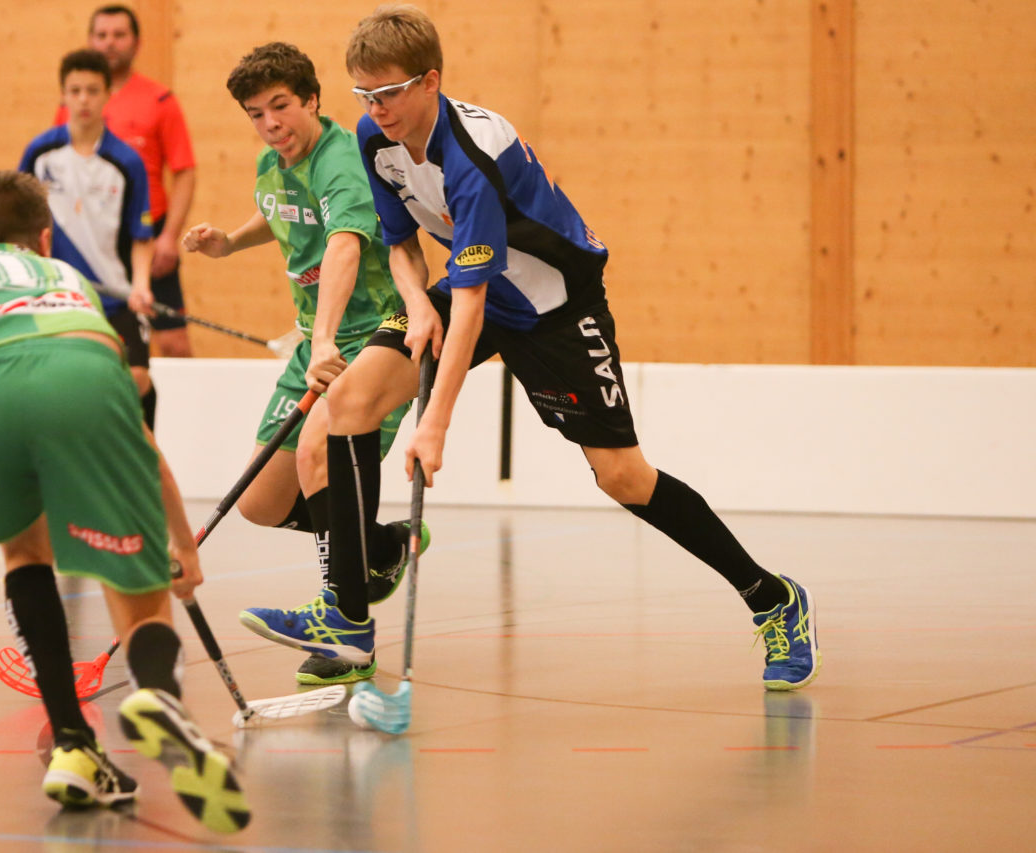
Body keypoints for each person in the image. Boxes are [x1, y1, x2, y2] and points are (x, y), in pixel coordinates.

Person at [239, 4, 819, 692]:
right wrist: (417, 301)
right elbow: (399, 243)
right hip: (467, 289)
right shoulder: (374, 136)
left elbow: (475, 305)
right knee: (350, 402)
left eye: (389, 92)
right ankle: (348, 622)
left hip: (552, 310)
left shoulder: (474, 156)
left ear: (430, 81)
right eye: (364, 95)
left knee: (623, 477)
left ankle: (773, 597)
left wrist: (433, 424)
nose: (376, 108)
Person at [0, 170, 250, 832]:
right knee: (139, 592)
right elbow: (141, 441)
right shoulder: (68, 277)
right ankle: (157, 694)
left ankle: (73, 747)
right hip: (82, 376)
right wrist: (181, 544)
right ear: (43, 236)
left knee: (25, 553)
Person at [182, 42, 426, 685]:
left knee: (318, 452)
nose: (271, 124)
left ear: (312, 99)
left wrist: (322, 343)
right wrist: (230, 243)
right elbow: (284, 212)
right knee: (262, 502)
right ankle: (379, 546)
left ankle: (343, 622)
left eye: (281, 106)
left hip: (371, 335)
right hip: (314, 344)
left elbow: (344, 244)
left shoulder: (342, 161)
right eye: (256, 114)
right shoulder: (273, 163)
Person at [21, 49, 160, 428]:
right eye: (75, 90)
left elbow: (141, 235)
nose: (84, 99)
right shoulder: (40, 153)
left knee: (138, 379)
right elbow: (21, 225)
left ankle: (142, 459)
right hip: (58, 295)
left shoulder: (126, 162)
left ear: (108, 94)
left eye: (93, 91)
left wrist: (141, 285)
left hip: (116, 296)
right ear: (62, 94)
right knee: (63, 384)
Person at [57, 4, 198, 359]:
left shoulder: (160, 100)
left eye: (119, 35)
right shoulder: (71, 105)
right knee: (94, 338)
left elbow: (184, 171)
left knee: (173, 343)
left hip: (147, 232)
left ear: (136, 42)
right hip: (92, 236)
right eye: (101, 35)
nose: (110, 43)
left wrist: (168, 237)